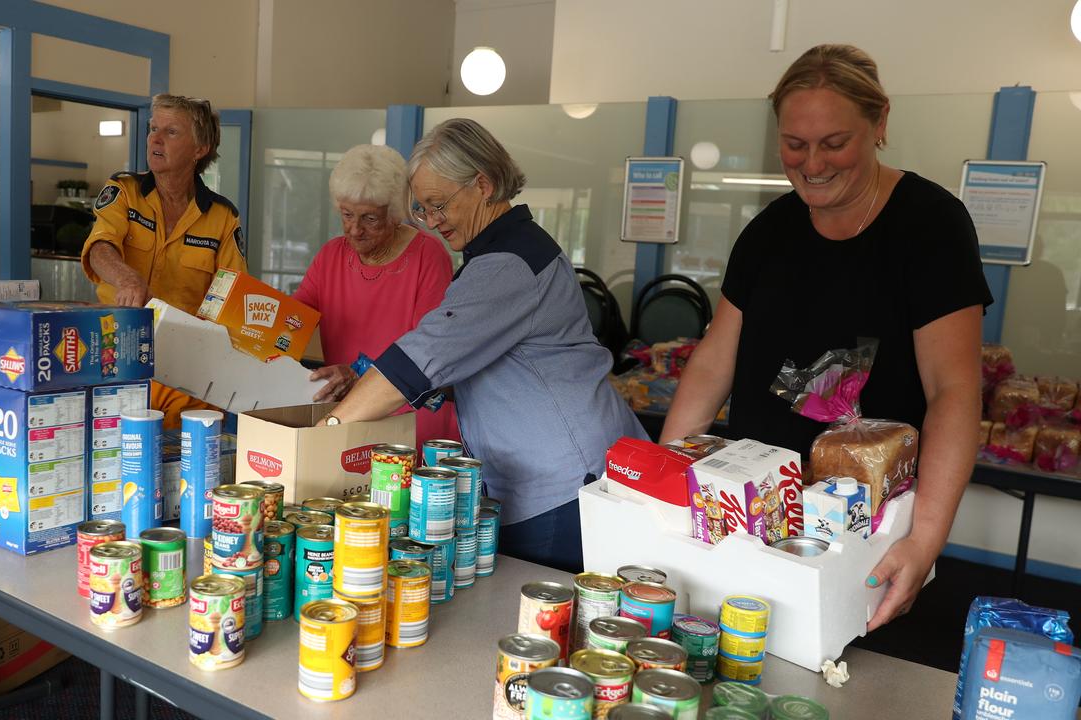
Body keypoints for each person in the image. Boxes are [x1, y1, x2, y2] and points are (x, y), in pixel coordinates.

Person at [659, 44, 992, 630]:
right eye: (795, 144)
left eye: (834, 143)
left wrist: (925, 541)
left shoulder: (931, 226)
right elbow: (716, 361)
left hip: (866, 533)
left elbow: (954, 391)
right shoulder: (767, 233)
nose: (812, 163)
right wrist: (664, 477)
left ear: (880, 122)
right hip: (752, 513)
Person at [318, 119, 647, 573]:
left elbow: (423, 357)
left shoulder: (507, 264)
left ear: (483, 185)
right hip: (558, 469)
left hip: (561, 482)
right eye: (421, 208)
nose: (431, 221)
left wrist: (327, 430)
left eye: (438, 205)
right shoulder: (504, 251)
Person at [80, 94, 247, 427]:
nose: (155, 138)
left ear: (200, 149)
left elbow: (233, 297)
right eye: (153, 128)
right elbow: (99, 248)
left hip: (186, 369)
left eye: (171, 132)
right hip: (115, 358)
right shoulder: (124, 191)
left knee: (191, 462)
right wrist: (126, 278)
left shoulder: (223, 216)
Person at [292, 144, 460, 449]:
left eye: (370, 218)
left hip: (410, 419)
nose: (355, 230)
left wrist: (357, 374)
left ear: (395, 213)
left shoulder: (428, 256)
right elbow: (294, 319)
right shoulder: (331, 256)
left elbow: (428, 353)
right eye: (346, 215)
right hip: (346, 416)